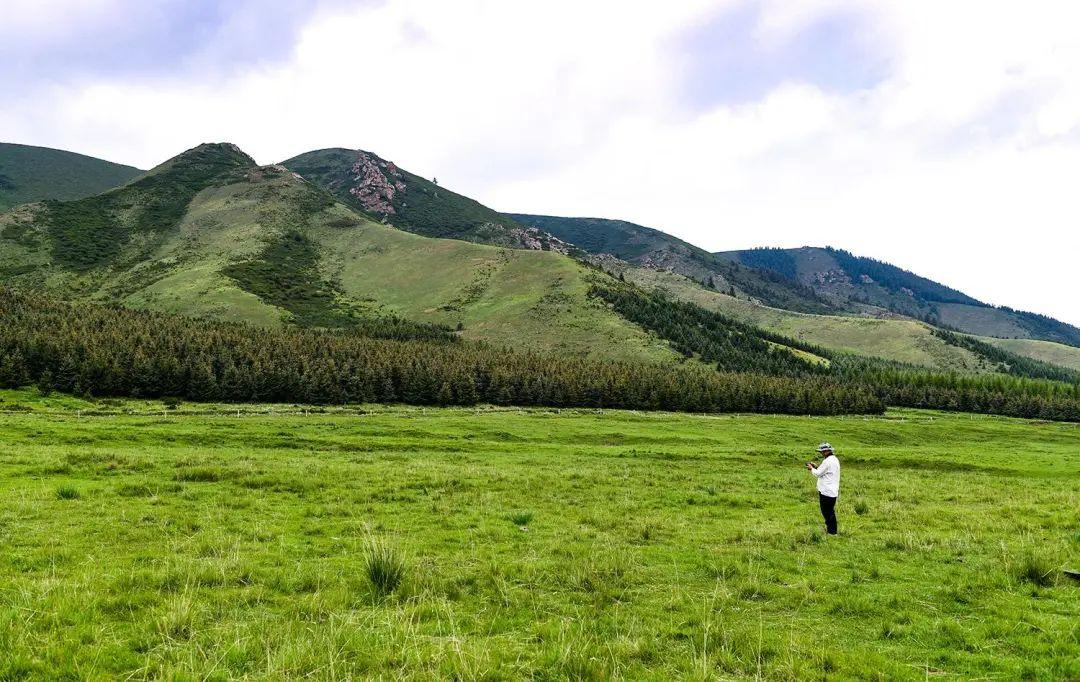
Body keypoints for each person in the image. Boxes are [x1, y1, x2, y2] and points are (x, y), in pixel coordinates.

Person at [807, 442, 840, 535]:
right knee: (829, 511)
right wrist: (816, 467)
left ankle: (832, 532)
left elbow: (818, 473)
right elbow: (824, 471)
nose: (821, 453)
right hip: (832, 490)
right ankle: (831, 531)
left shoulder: (827, 461)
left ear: (826, 451)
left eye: (822, 452)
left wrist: (811, 468)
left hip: (826, 491)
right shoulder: (834, 459)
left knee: (827, 512)